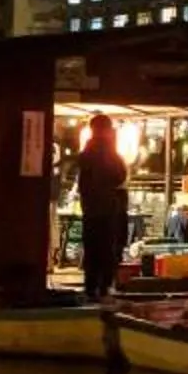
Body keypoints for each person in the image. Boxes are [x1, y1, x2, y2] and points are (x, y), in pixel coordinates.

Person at [75, 116, 130, 301]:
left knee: (92, 248)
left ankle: (91, 288)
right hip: (107, 208)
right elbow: (119, 176)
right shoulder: (108, 151)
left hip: (90, 208)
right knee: (107, 249)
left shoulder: (86, 152)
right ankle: (104, 287)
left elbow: (83, 180)